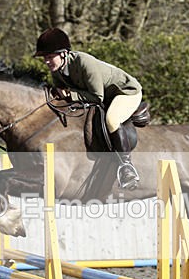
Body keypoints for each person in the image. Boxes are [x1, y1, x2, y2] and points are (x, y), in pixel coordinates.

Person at [34, 27, 142, 190]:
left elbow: (96, 97)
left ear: (63, 53)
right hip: (102, 95)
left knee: (111, 120)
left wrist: (70, 94)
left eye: (50, 57)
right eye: (44, 58)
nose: (47, 61)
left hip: (124, 92)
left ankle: (126, 167)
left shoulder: (84, 62)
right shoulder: (57, 71)